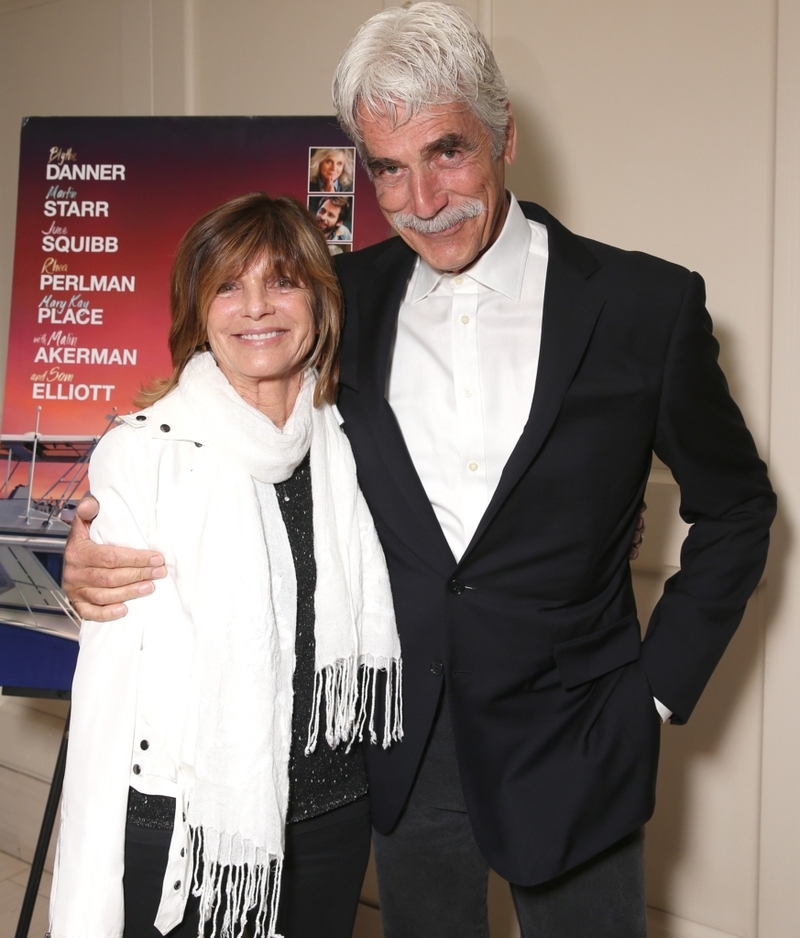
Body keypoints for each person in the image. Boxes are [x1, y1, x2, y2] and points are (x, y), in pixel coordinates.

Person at [63, 4, 776, 937]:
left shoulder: (647, 306)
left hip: (580, 736)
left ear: (505, 136)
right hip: (399, 745)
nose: (423, 201)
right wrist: (97, 541)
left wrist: (655, 692)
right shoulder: (340, 300)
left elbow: (740, 509)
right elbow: (223, 426)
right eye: (389, 169)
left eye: (448, 152)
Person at [49, 193, 401, 938]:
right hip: (191, 819)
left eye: (282, 281)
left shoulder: (352, 433)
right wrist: (81, 590)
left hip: (333, 812)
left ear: (319, 300)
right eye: (229, 287)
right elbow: (112, 670)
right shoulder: (144, 450)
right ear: (197, 310)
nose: (256, 308)